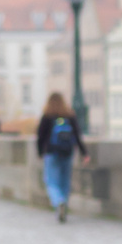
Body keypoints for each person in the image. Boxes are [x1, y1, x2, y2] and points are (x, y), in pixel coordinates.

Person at [34, 92, 86, 223]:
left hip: (51, 153)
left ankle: (59, 202)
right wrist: (84, 153)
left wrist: (40, 153)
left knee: (51, 181)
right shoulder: (70, 115)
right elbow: (78, 136)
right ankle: (64, 205)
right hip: (67, 153)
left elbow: (40, 137)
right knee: (65, 182)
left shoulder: (47, 116)